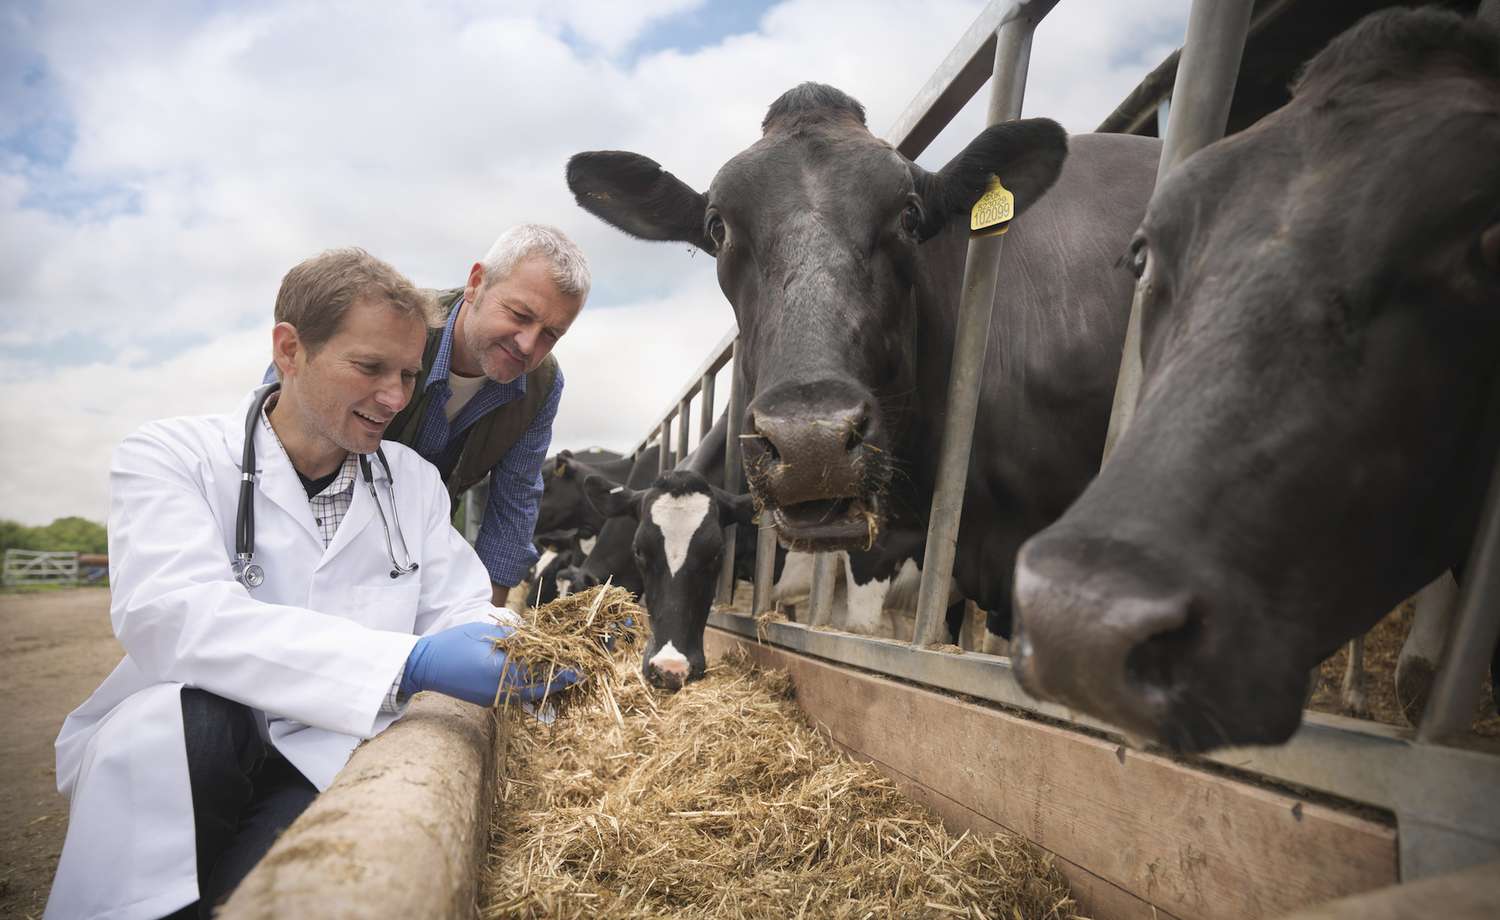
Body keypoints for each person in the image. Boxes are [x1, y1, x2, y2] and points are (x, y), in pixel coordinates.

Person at [45, 249, 574, 920]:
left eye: (410, 374)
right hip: (183, 754)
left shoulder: (410, 480)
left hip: (323, 742)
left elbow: (461, 609)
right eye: (370, 368)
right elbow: (171, 614)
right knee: (197, 740)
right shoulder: (172, 456)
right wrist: (406, 660)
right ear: (289, 350)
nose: (394, 398)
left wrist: (548, 649)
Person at [265, 224, 590, 607]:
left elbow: (515, 501)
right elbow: (286, 412)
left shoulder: (541, 384)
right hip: (315, 524)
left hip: (419, 547)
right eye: (519, 315)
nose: (527, 344)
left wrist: (483, 631)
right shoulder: (392, 324)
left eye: (551, 334)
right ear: (476, 283)